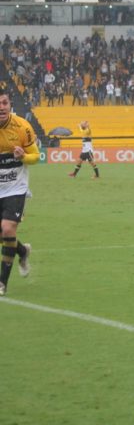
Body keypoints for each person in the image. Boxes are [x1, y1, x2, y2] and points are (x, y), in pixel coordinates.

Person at [0, 88, 38, 297]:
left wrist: (23, 156)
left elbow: (36, 156)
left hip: (16, 187)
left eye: (4, 103)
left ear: (9, 105)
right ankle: (22, 251)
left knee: (7, 229)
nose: (1, 107)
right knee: (5, 236)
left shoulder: (22, 127)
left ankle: (2, 284)